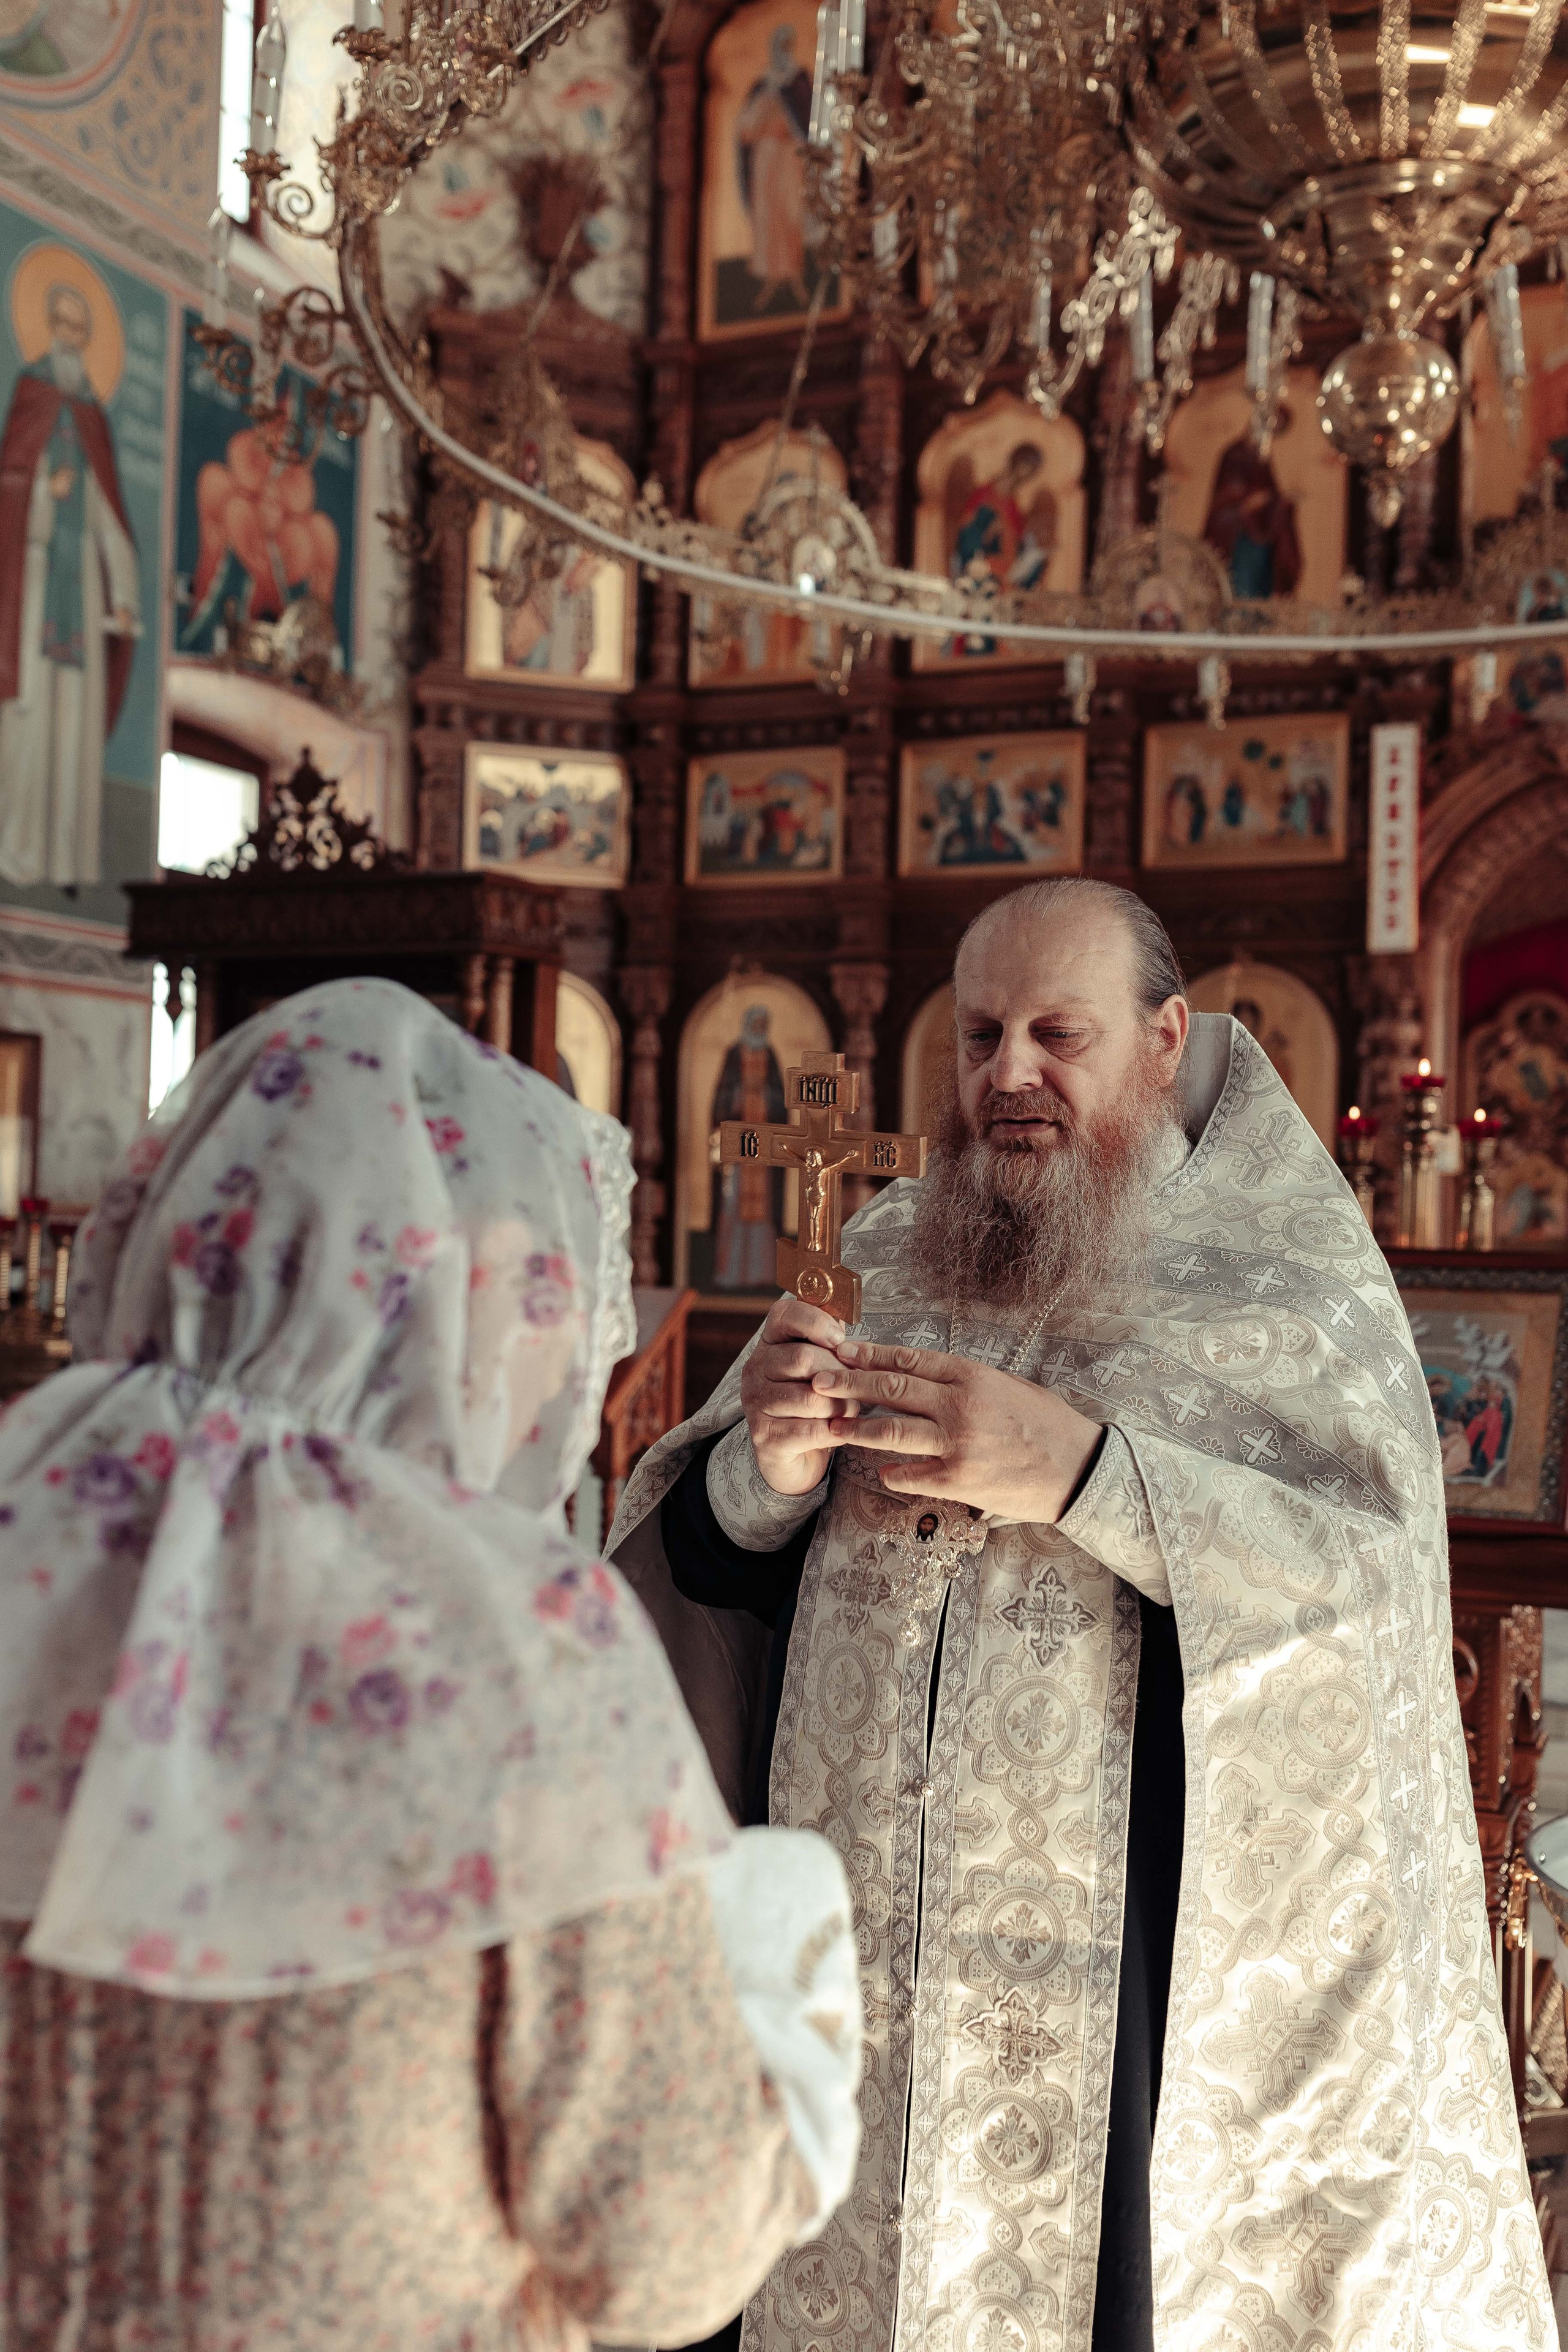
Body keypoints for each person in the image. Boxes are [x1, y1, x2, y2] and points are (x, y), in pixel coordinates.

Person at [611, 878, 1550, 2352]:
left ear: (1163, 1038)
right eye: (979, 1032)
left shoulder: (1286, 1277)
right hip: (850, 1932)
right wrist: (763, 1470)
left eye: (1059, 1031)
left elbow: (1360, 1588)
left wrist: (1087, 1472)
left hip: (1125, 1973)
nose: (1008, 1073)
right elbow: (706, 1572)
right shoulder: (884, 1238)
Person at [0, 978, 861, 2351]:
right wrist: (778, 1949)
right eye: (556, 1292)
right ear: (471, 1286)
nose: (582, 1348)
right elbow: (663, 2249)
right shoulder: (518, 1644)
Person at [0, 279, 140, 889]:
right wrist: (41, 503)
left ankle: (68, 865)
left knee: (72, 736)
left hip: (79, 586)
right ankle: (17, 853)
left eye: (78, 328)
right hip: (30, 584)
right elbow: (8, 490)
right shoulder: (30, 395)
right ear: (48, 327)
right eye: (59, 322)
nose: (68, 337)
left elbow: (110, 515)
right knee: (29, 724)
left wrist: (127, 595)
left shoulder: (92, 417)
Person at [734, 28, 813, 313]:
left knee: (790, 214)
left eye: (787, 46)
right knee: (768, 217)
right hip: (764, 163)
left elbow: (811, 129)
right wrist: (762, 128)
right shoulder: (761, 85)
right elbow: (744, 130)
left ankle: (794, 273)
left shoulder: (798, 81)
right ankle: (771, 276)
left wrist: (785, 129)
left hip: (789, 163)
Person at [1202, 434, 1302, 599]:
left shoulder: (1263, 458)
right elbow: (1227, 498)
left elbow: (1271, 493)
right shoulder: (1235, 455)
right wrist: (1250, 501)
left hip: (1262, 542)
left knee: (1260, 592)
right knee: (1243, 590)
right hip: (1239, 539)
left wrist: (1278, 502)